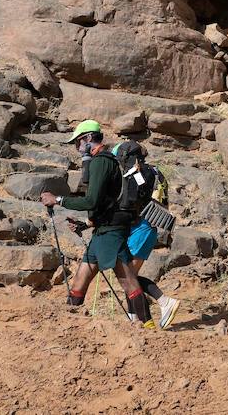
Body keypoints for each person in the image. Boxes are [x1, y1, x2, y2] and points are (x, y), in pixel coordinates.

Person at [41, 120, 154, 328]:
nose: (77, 147)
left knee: (127, 280)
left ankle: (148, 327)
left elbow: (92, 201)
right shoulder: (102, 161)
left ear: (88, 138)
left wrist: (58, 200)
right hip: (102, 231)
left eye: (78, 142)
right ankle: (70, 324)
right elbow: (103, 202)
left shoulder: (101, 162)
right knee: (80, 278)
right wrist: (87, 224)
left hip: (111, 232)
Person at [115, 140, 180, 329]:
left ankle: (164, 301)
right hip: (147, 228)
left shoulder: (136, 174)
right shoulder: (154, 171)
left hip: (140, 229)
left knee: (128, 277)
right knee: (129, 277)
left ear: (126, 156)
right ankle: (136, 319)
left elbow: (130, 203)